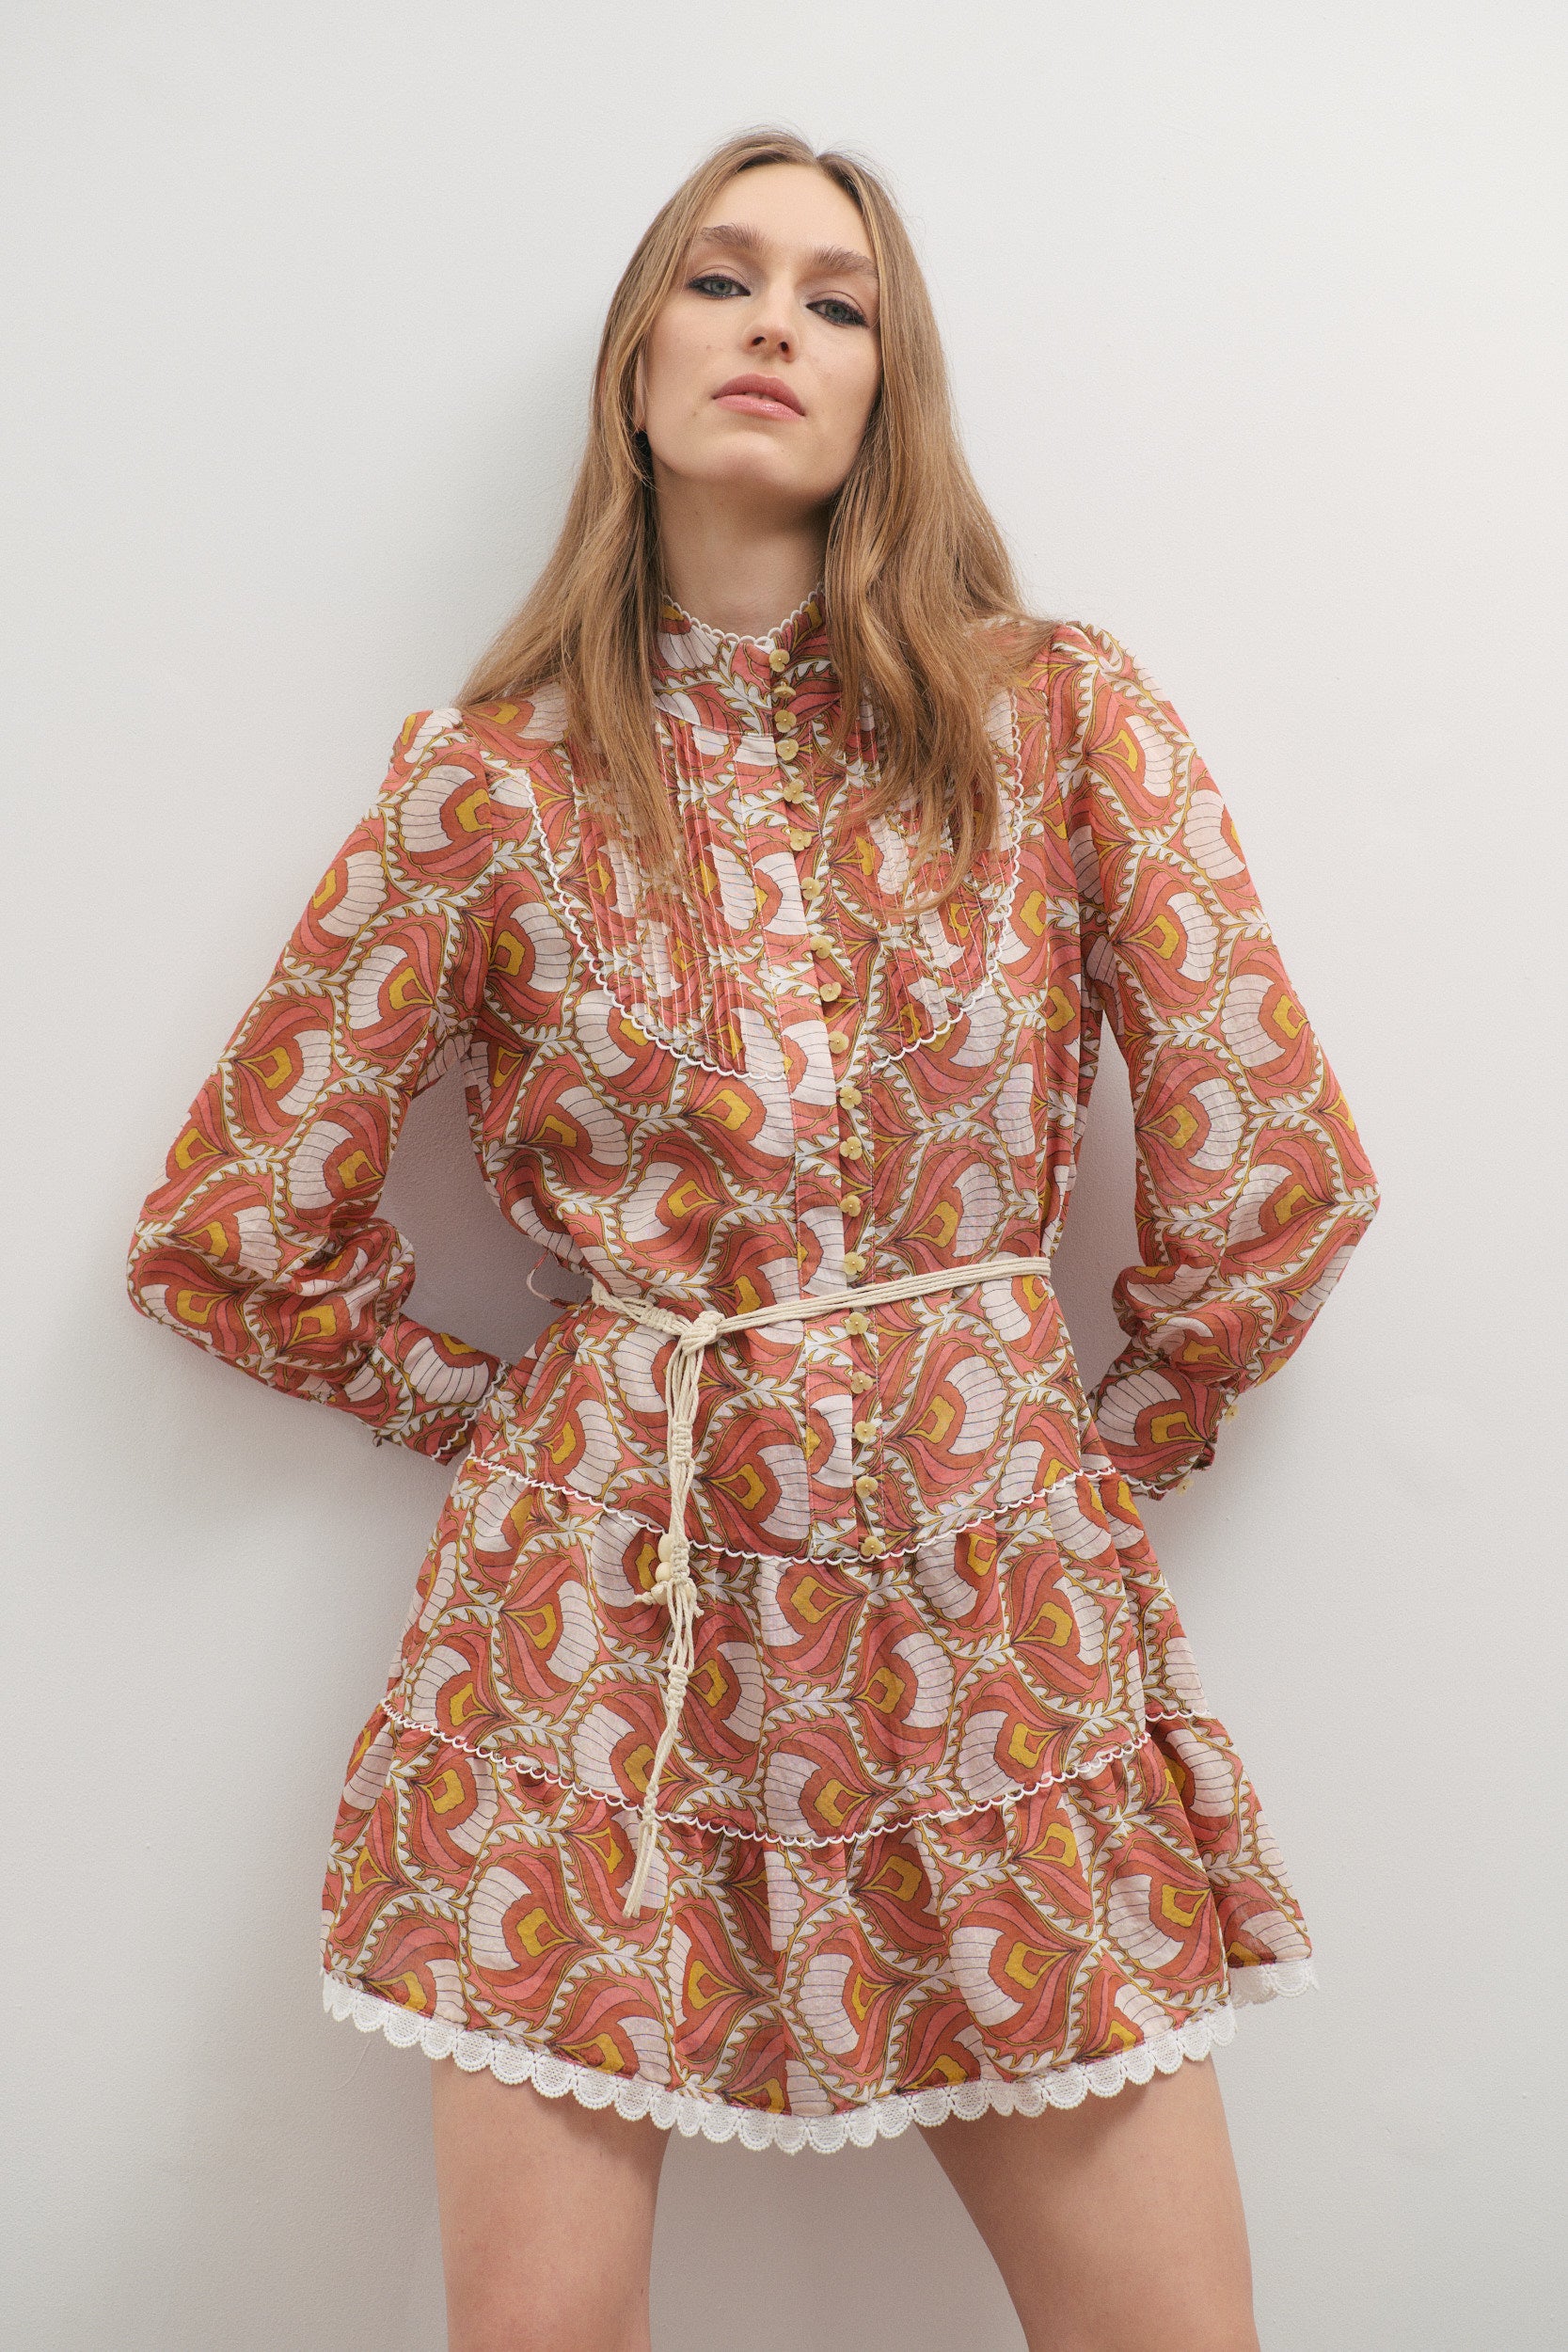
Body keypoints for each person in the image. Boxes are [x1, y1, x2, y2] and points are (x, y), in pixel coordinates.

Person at [125, 126, 1380, 2352]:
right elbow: (234, 1227)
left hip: (983, 1594)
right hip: (599, 1617)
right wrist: (521, 1418)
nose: (775, 328)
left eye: (838, 296)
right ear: (637, 359)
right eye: (720, 281)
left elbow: (1266, 1157)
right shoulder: (488, 783)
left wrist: (1091, 1440)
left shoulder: (1054, 713)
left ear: (891, 385)